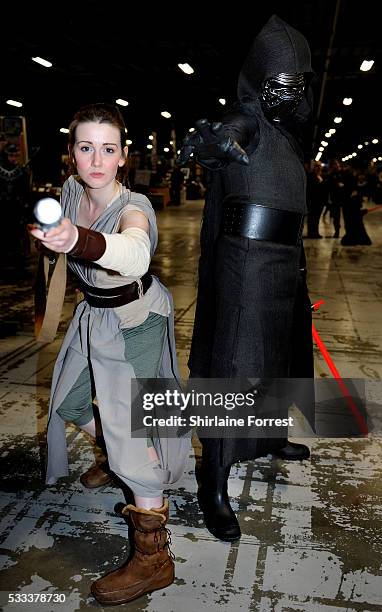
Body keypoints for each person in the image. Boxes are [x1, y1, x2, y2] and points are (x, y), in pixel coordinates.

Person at [29, 103, 190, 605]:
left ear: (123, 156)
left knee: (135, 435)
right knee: (68, 403)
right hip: (94, 316)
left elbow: (134, 252)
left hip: (136, 321)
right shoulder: (73, 191)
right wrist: (52, 239)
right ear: (71, 152)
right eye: (85, 147)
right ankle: (116, 455)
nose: (96, 159)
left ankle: (154, 559)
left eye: (107, 149)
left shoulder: (134, 205)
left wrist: (77, 239)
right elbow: (60, 240)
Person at [178, 15, 314, 542]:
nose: (288, 94)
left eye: (297, 86)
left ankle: (270, 435)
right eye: (279, 83)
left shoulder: (289, 137)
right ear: (259, 82)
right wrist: (213, 144)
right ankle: (213, 474)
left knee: (280, 356)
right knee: (237, 365)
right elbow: (221, 138)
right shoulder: (249, 122)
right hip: (246, 263)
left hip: (286, 261)